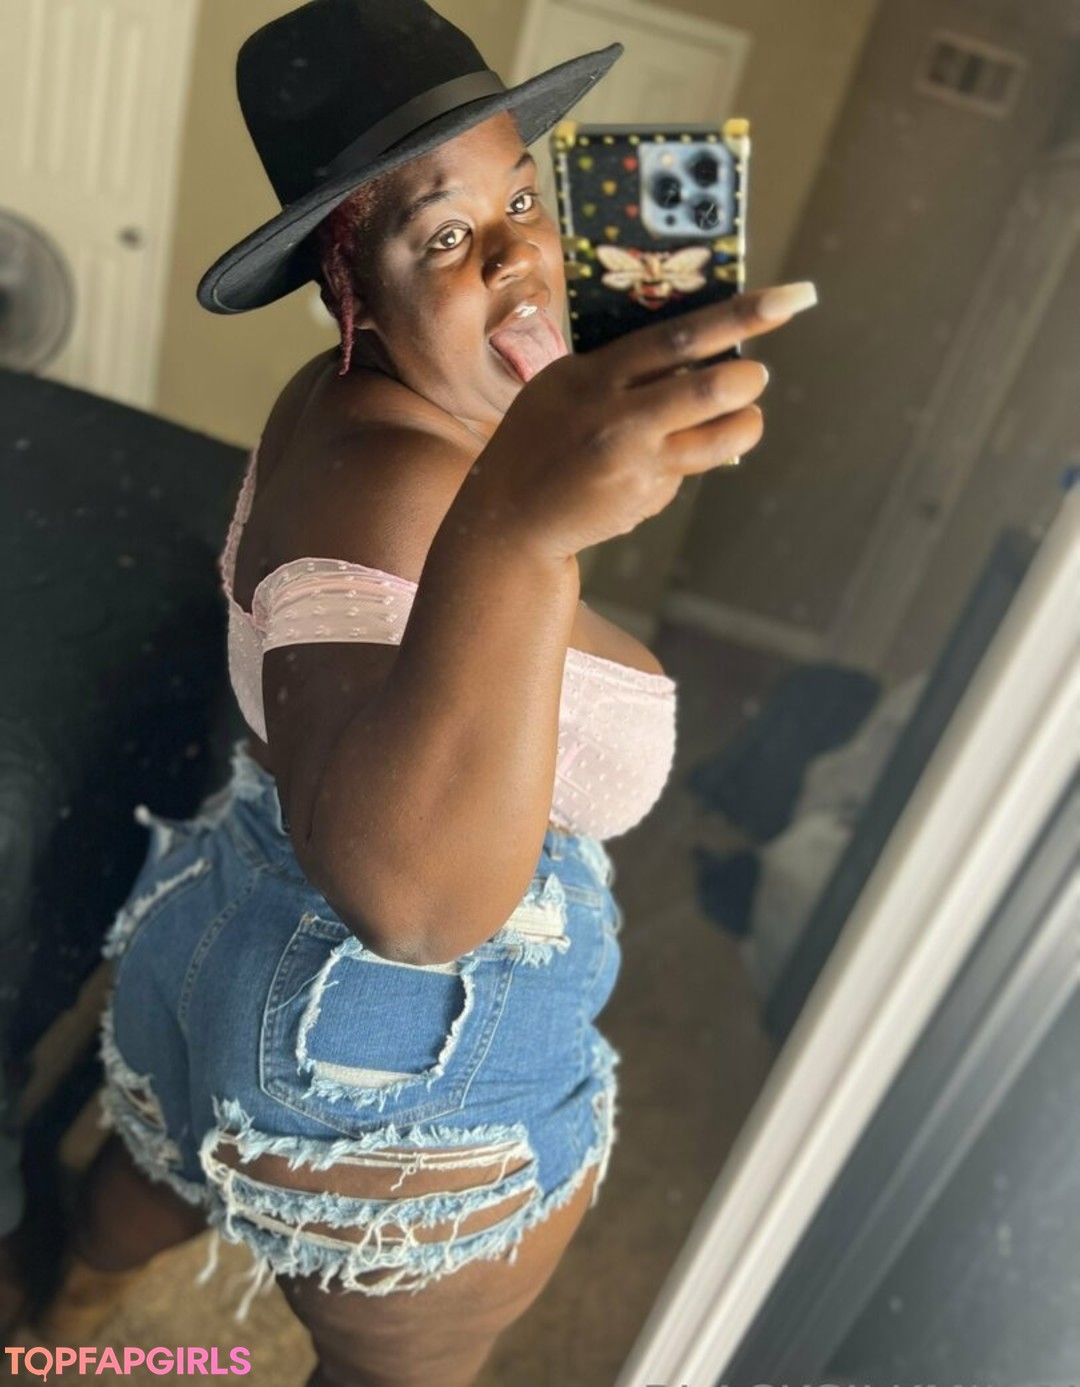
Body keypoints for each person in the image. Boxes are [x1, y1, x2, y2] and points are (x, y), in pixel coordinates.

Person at [38, 1, 816, 1382]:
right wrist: (525, 529)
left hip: (228, 940)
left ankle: (56, 1340)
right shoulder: (413, 488)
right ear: (348, 284)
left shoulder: (354, 403)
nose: (519, 254)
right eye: (445, 236)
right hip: (391, 1063)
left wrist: (544, 477)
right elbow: (415, 909)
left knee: (141, 1196)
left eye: (521, 198)